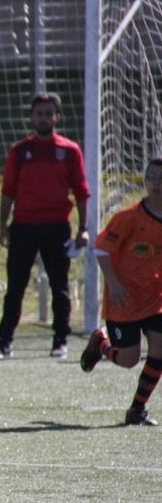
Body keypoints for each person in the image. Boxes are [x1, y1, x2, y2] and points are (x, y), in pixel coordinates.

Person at [0, 92, 90, 360]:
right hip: (24, 227)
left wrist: (83, 228)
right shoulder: (20, 150)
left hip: (57, 227)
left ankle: (60, 340)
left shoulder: (69, 150)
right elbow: (8, 190)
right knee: (16, 287)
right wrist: (3, 225)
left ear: (57, 116)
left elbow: (81, 191)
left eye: (49, 113)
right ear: (32, 117)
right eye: (39, 113)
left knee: (60, 285)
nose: (44, 118)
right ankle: (4, 342)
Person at [79, 157, 162, 427]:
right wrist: (113, 283)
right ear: (145, 180)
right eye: (152, 177)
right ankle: (100, 342)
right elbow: (102, 249)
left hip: (154, 297)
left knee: (160, 350)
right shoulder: (128, 218)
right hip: (124, 298)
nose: (157, 184)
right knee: (128, 360)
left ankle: (137, 410)